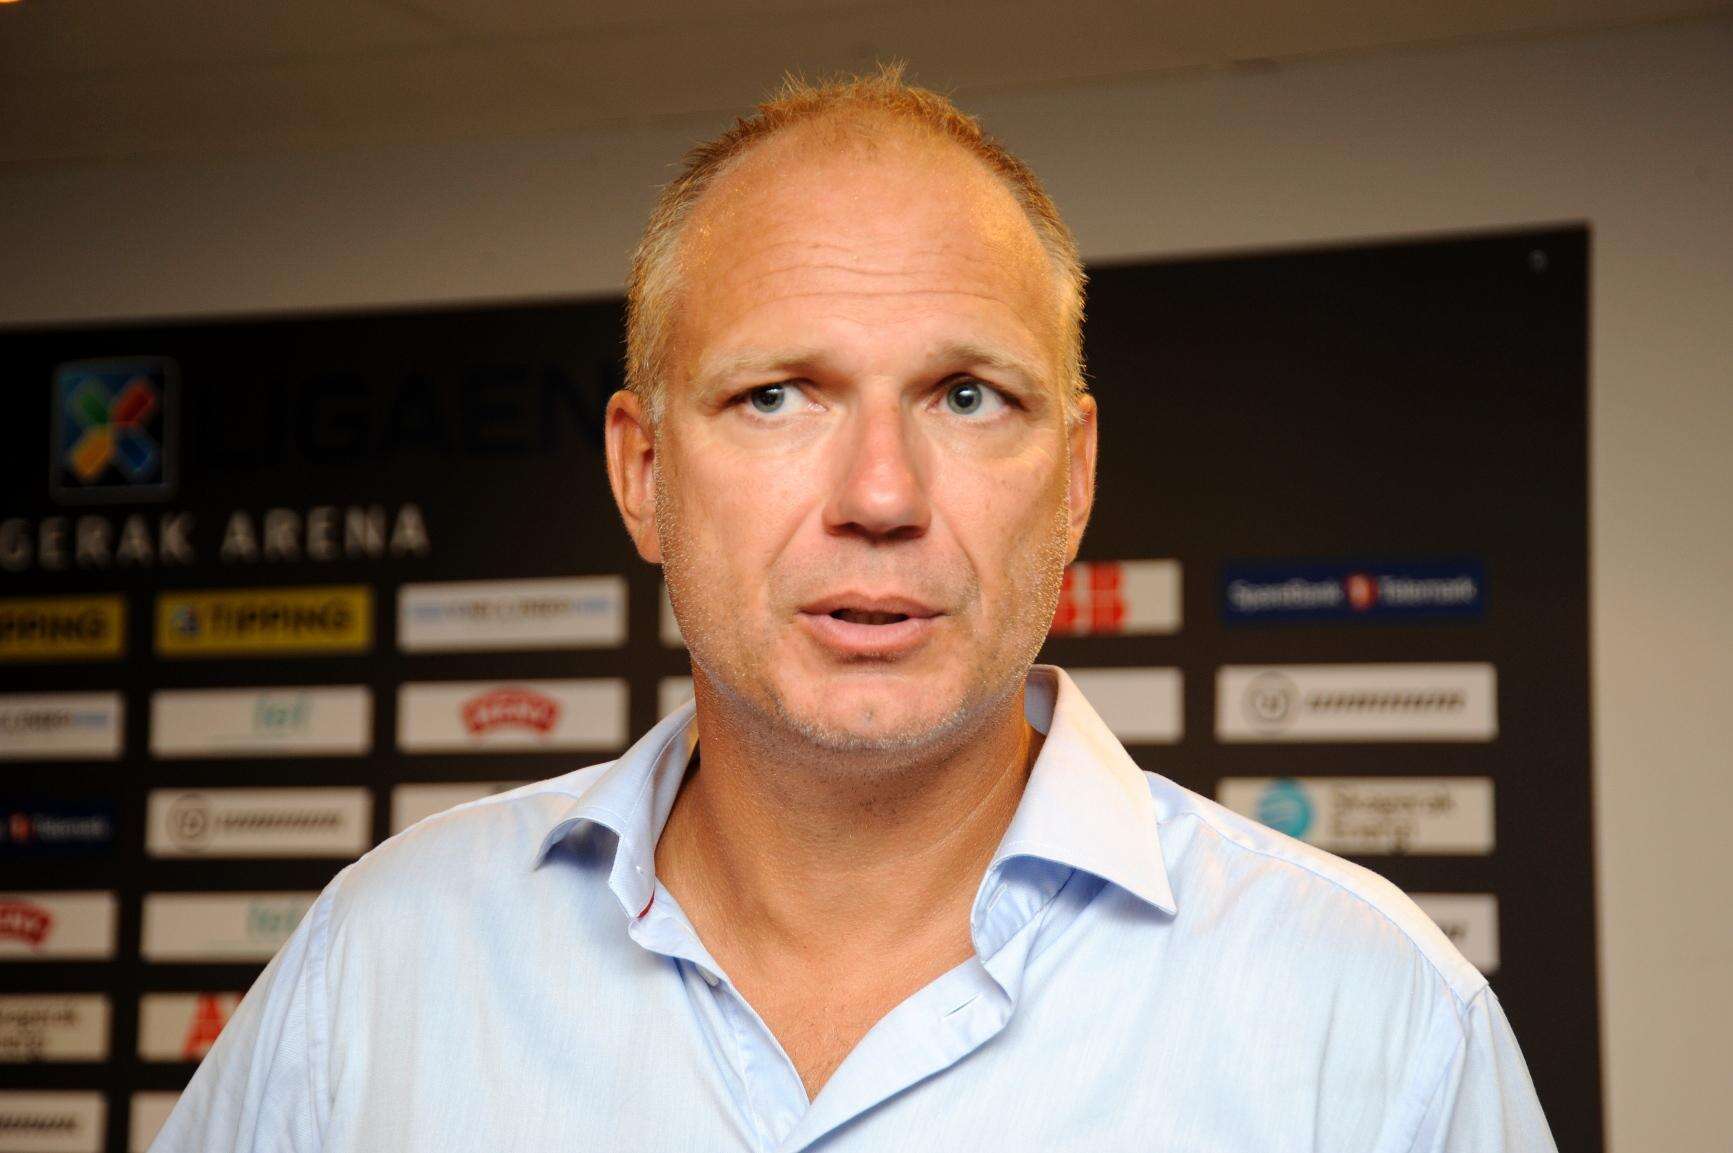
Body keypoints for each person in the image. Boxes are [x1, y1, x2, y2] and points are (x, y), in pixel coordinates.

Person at [153, 66, 1556, 1152]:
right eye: (776, 396)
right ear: (642, 474)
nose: (880, 495)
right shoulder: (378, 965)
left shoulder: (1374, 1019)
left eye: (966, 396)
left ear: (1072, 480)